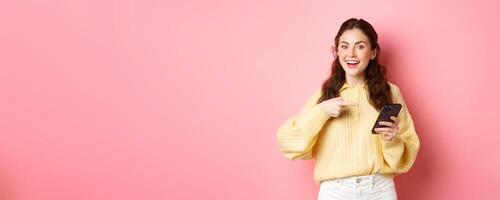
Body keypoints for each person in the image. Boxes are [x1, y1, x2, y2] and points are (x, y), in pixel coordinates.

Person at [276, 18, 420, 200]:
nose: (351, 54)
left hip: (379, 190)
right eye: (344, 46)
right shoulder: (325, 95)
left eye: (360, 46)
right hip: (335, 192)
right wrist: (322, 112)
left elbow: (406, 154)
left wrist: (392, 139)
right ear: (337, 51)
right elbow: (288, 142)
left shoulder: (390, 92)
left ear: (373, 52)